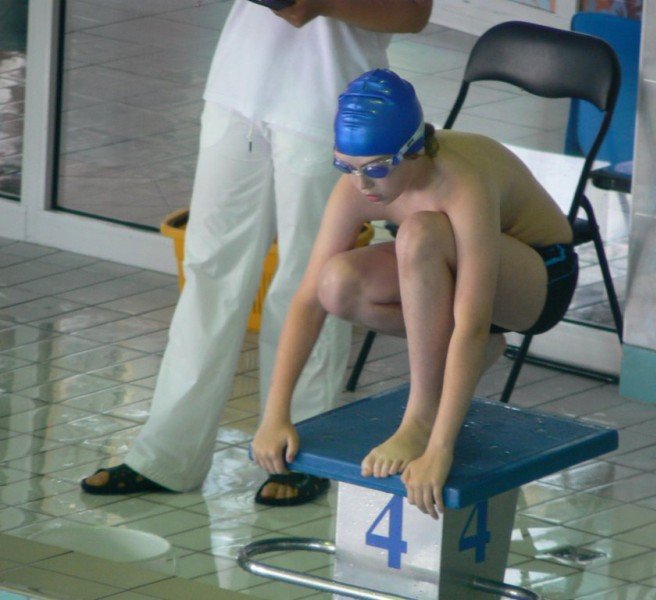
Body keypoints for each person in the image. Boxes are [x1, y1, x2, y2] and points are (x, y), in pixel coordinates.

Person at [81, 1, 432, 506]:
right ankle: (166, 456)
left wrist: (321, 4)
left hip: (328, 101)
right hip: (237, 87)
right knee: (209, 273)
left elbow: (413, 13)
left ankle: (304, 450)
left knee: (310, 280)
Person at [251, 69, 578, 519]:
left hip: (539, 276)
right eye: (345, 166)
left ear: (416, 150)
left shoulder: (461, 183)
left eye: (376, 169)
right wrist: (274, 414)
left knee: (422, 232)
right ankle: (472, 361)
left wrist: (438, 447)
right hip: (459, 275)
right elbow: (308, 300)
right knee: (336, 282)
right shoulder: (360, 182)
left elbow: (471, 321)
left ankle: (419, 418)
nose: (362, 185)